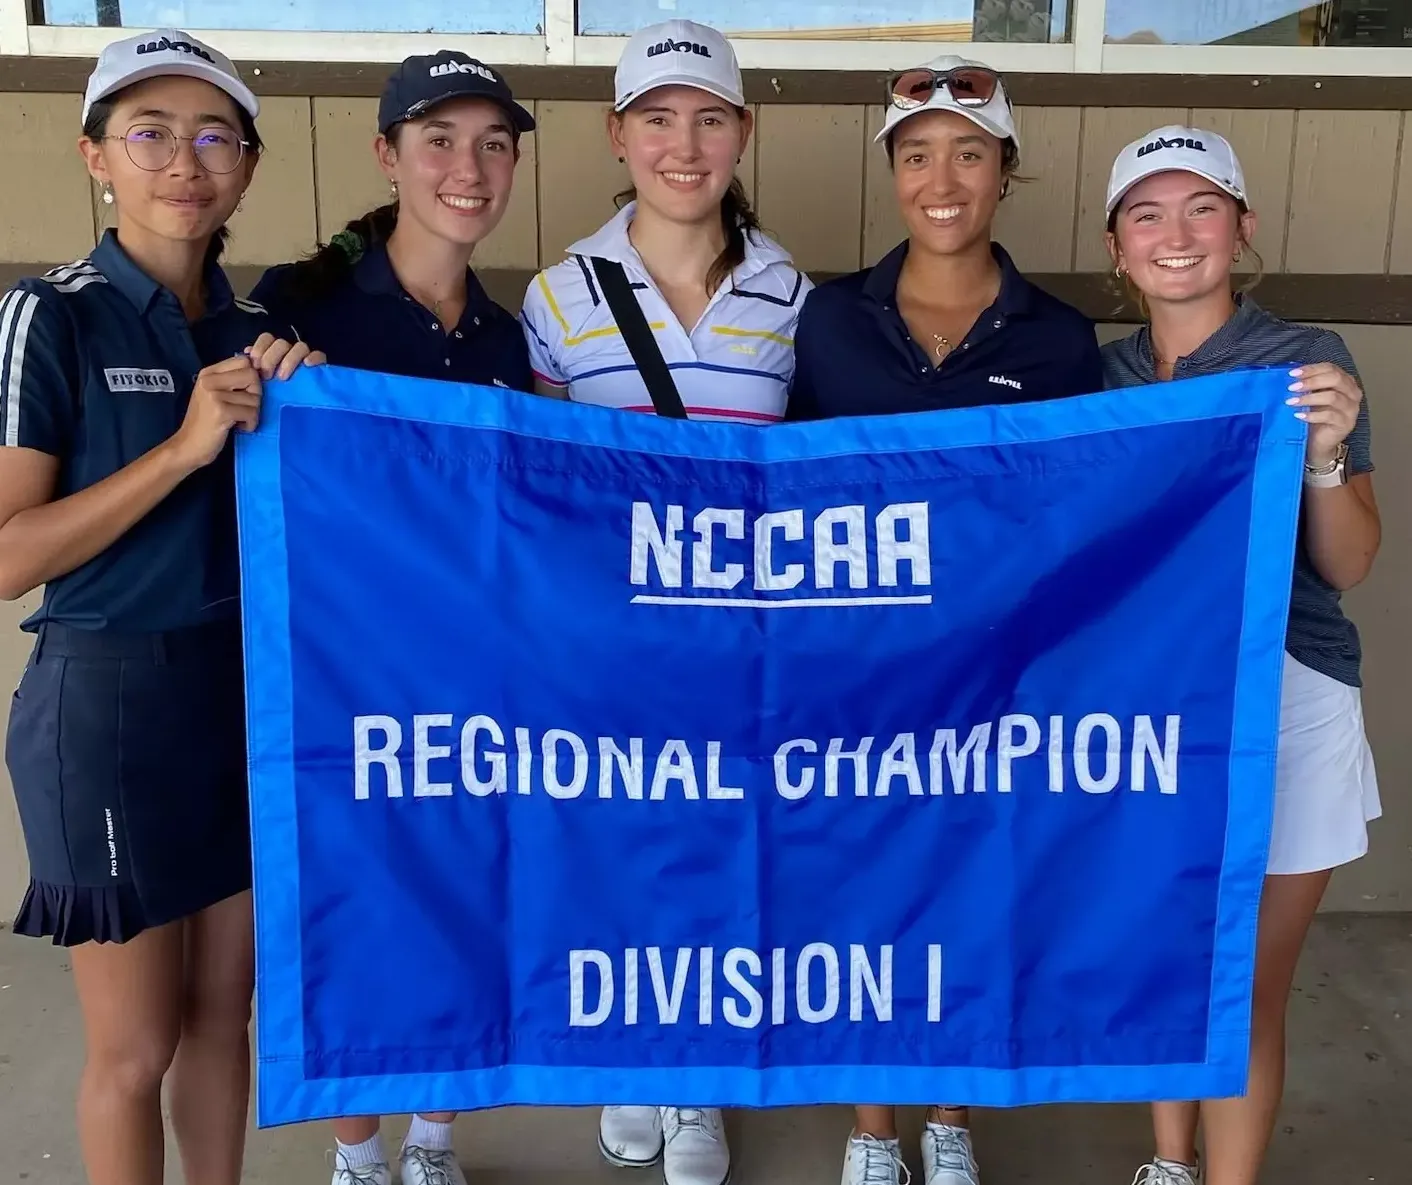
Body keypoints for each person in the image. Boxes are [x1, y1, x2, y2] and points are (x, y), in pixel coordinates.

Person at [0, 29, 320, 1185]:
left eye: (211, 135)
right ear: (95, 156)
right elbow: (8, 553)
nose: (182, 160)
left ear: (244, 164)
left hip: (242, 702)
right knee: (131, 1049)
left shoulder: (256, 339)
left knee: (218, 1020)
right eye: (148, 133)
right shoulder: (57, 314)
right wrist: (185, 450)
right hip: (110, 705)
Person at [784, 54, 1102, 1185]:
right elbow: (778, 491)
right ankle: (874, 1134)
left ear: (1003, 172)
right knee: (867, 897)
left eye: (969, 152)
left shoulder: (1057, 340)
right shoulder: (826, 322)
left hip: (994, 684)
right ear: (891, 171)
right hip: (855, 676)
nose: (942, 176)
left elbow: (1090, 514)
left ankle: (952, 1119)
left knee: (974, 897)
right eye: (916, 153)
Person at [518, 19, 809, 1185]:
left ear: (741, 131)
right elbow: (540, 477)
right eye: (655, 118)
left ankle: (700, 1085)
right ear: (616, 134)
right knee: (616, 846)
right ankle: (630, 1056)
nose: (682, 146)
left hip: (743, 640)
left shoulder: (795, 295)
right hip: (606, 639)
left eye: (706, 118)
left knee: (719, 853)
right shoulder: (555, 295)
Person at [250, 50, 537, 1185]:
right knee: (356, 894)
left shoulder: (503, 341)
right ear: (387, 156)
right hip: (339, 676)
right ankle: (359, 1146)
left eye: (492, 144)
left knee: (462, 890)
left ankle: (433, 1138)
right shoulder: (294, 305)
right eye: (439, 140)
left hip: (469, 675)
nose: (467, 168)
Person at [1102, 126, 1382, 1185]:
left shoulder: (1303, 364)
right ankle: (1168, 1164)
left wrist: (1321, 457)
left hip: (1286, 692)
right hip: (1149, 701)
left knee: (1244, 979)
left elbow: (1347, 563)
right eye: (1147, 214)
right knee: (1166, 954)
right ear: (1117, 245)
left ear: (1241, 226)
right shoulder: (1101, 377)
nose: (1176, 235)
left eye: (1200, 208)